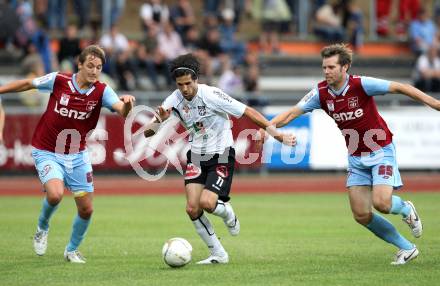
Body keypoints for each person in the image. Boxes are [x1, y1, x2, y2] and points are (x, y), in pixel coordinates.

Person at [259, 44, 433, 265]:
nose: (327, 71)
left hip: (381, 151)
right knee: (361, 214)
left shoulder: (362, 84)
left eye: (331, 67)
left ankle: (406, 208)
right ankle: (406, 248)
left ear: (345, 67)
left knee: (382, 203)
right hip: (356, 158)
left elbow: (400, 87)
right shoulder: (321, 93)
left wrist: (434, 103)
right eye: (324, 67)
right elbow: (291, 113)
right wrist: (268, 127)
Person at [144, 53, 295, 264]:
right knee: (192, 208)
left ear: (196, 79)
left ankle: (228, 214)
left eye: (188, 83)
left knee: (207, 202)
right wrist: (158, 121)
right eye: (180, 85)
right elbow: (147, 133)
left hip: (221, 154)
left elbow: (248, 111)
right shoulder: (173, 100)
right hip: (196, 155)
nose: (185, 89)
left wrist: (276, 134)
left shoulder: (212, 95)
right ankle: (218, 254)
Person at [0, 45, 135, 263]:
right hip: (46, 150)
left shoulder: (102, 90)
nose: (94, 71)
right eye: (90, 66)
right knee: (55, 194)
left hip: (77, 155)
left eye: (99, 67)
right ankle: (42, 228)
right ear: (79, 64)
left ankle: (71, 250)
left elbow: (121, 111)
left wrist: (128, 104)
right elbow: (27, 84)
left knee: (87, 209)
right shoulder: (59, 80)